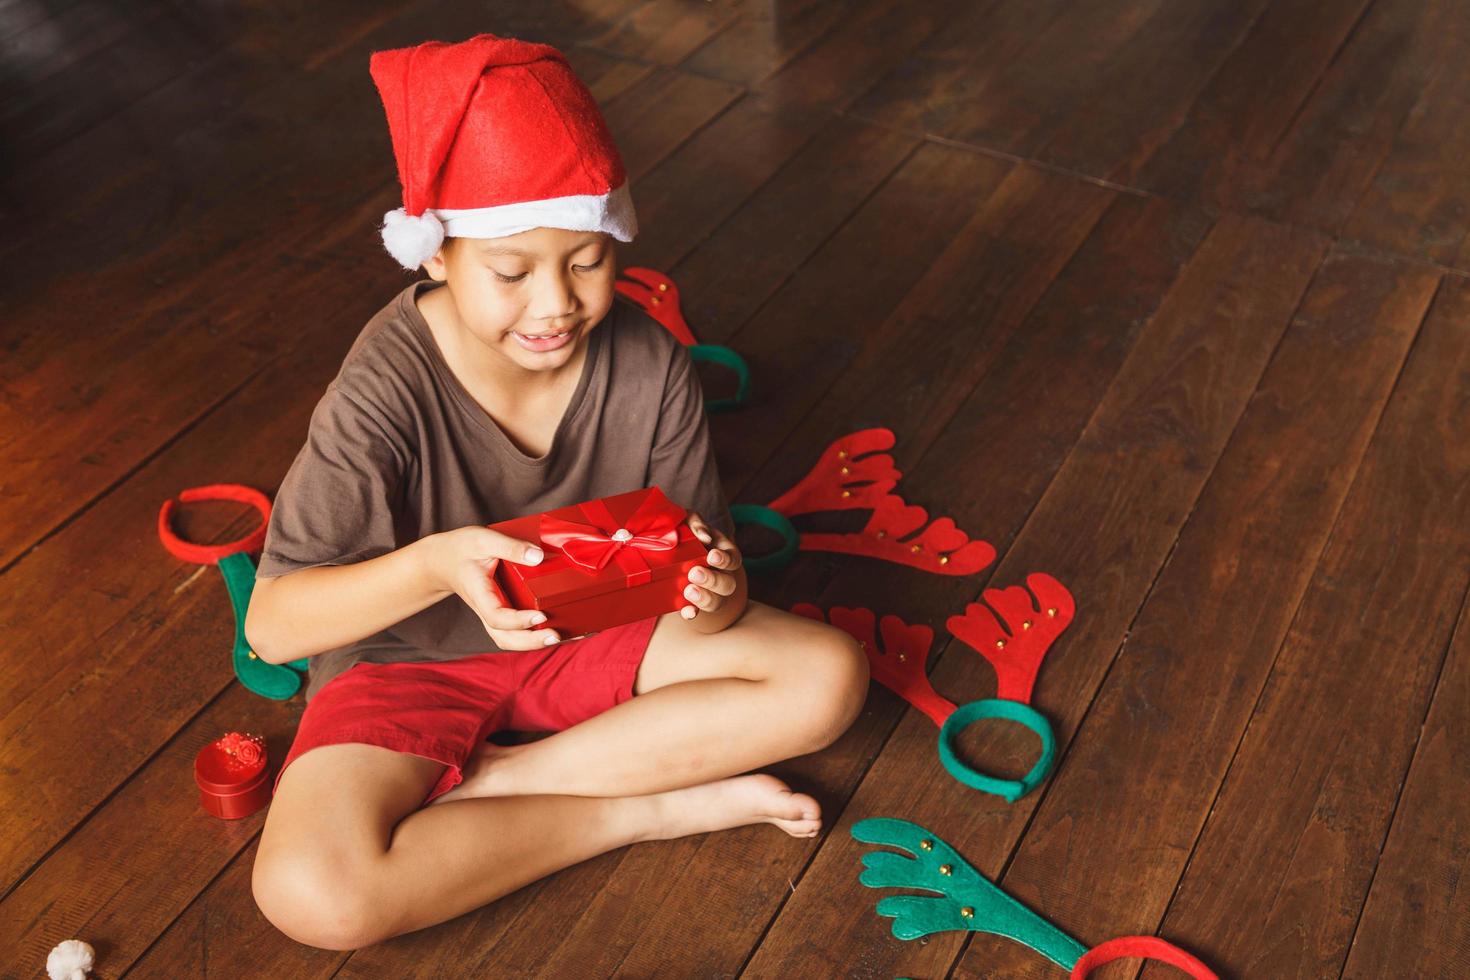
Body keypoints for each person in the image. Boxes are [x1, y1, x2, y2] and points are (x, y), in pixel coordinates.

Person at [244, 34, 869, 951]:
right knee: (315, 893)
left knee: (827, 677)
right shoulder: (382, 388)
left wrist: (716, 588)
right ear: (436, 257)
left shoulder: (649, 363)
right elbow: (273, 627)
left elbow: (706, 604)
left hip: (594, 631)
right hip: (408, 662)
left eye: (586, 260)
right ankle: (635, 810)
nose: (555, 306)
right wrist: (434, 567)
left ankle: (502, 784)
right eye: (510, 272)